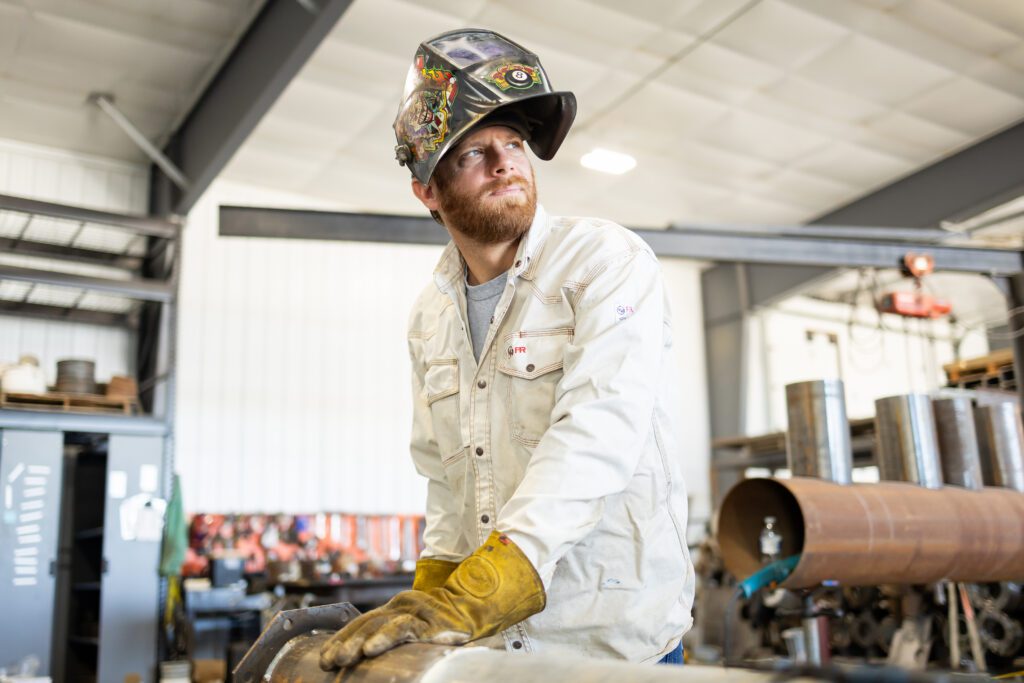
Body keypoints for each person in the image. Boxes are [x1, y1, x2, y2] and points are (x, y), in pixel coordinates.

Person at [319, 28, 694, 670]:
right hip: (497, 656)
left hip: (613, 649)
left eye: (514, 143)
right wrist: (432, 596)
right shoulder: (430, 317)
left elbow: (599, 432)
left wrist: (482, 590)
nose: (506, 164)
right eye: (472, 153)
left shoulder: (604, 261)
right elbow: (444, 478)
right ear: (427, 190)